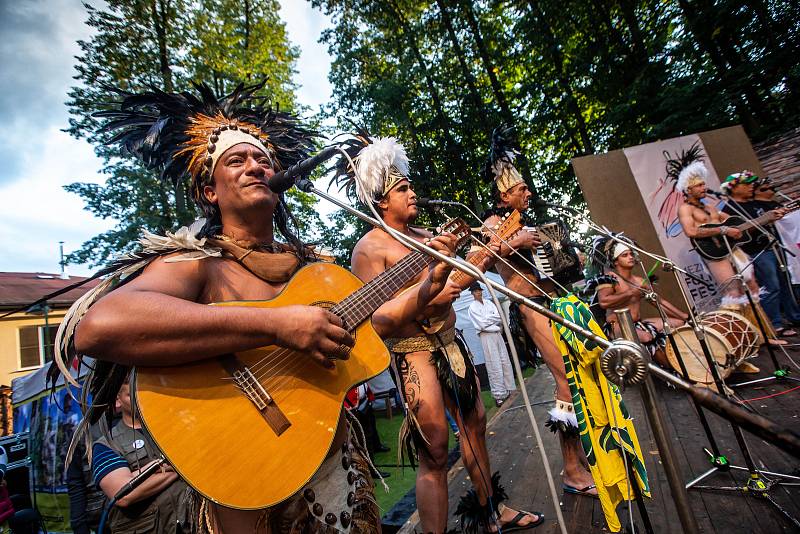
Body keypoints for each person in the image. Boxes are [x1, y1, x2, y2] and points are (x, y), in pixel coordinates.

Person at [57, 81, 390, 533]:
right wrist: (276, 325)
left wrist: (428, 288)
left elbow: (382, 327)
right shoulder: (198, 263)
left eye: (263, 159)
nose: (256, 165)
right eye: (237, 160)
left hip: (331, 460)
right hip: (247, 477)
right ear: (210, 191)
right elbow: (99, 327)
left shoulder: (313, 270)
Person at [344, 136, 543, 533]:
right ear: (382, 201)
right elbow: (377, 320)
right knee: (434, 449)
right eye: (402, 189)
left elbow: (456, 281)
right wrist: (429, 293)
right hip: (414, 352)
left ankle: (491, 511)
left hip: (452, 343)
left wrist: (486, 254)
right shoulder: (369, 249)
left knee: (475, 425)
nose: (412, 192)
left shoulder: (426, 235)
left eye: (410, 185)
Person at [479, 128, 596, 498]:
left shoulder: (528, 224)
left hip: (555, 302)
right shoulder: (492, 224)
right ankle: (572, 470)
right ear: (504, 193)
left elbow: (549, 265)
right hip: (530, 309)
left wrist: (569, 261)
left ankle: (582, 458)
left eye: (528, 189)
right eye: (522, 189)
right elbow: (484, 259)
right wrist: (517, 241)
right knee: (565, 381)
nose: (529, 193)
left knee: (576, 376)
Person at [91, 378, 191, 533]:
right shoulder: (106, 445)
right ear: (117, 401)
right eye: (132, 395)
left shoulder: (176, 429)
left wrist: (139, 474)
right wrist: (182, 466)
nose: (141, 400)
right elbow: (123, 495)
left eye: (145, 393)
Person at [588, 237, 687, 368]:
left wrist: (684, 316)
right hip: (617, 325)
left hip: (638, 323)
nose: (630, 257)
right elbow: (604, 302)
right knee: (647, 338)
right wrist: (630, 293)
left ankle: (682, 364)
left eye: (631, 254)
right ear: (616, 261)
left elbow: (658, 302)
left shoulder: (640, 281)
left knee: (680, 324)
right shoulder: (610, 278)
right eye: (625, 255)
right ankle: (673, 370)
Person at [721, 172, 798, 337]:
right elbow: (738, 232)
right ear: (734, 188)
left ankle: (794, 316)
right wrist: (764, 219)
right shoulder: (730, 209)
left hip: (774, 245)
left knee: (786, 283)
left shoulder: (755, 203)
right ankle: (775, 324)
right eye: (746, 184)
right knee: (772, 287)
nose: (751, 187)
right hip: (758, 251)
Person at [675, 161, 761, 304]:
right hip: (714, 252)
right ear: (688, 189)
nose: (704, 188)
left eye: (704, 184)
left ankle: (762, 324)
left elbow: (741, 226)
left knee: (752, 285)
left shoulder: (711, 208)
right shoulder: (685, 209)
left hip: (731, 248)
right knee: (733, 291)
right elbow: (690, 231)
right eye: (699, 185)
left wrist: (766, 218)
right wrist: (724, 230)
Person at [467, 283, 516, 406]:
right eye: (476, 291)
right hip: (486, 335)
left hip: (496, 333)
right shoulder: (472, 307)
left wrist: (490, 320)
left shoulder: (489, 303)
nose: (479, 292)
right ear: (472, 293)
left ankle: (509, 387)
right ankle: (499, 394)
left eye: (479, 290)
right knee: (493, 363)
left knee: (504, 360)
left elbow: (499, 317)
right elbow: (482, 324)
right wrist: (492, 320)